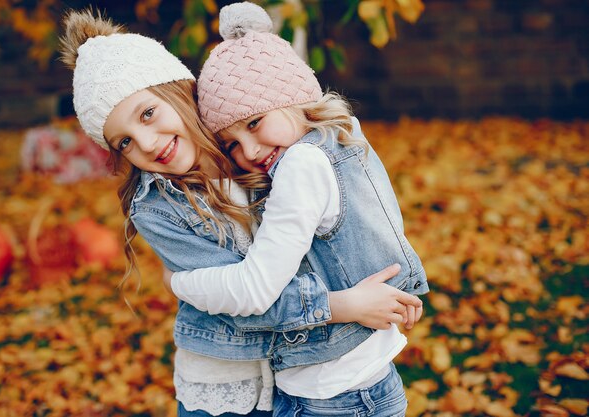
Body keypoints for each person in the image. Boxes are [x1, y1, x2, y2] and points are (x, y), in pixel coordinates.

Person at [59, 8, 423, 417]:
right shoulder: (158, 208)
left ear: (180, 91)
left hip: (302, 380)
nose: (145, 142)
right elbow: (252, 297)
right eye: (123, 142)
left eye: (148, 113)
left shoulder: (259, 155)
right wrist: (342, 306)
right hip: (226, 387)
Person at [168, 3, 430, 416]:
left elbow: (259, 286)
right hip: (359, 381)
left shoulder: (300, 165)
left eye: (254, 123)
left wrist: (183, 283)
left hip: (332, 396)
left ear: (294, 99)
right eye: (231, 143)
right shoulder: (340, 139)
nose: (249, 151)